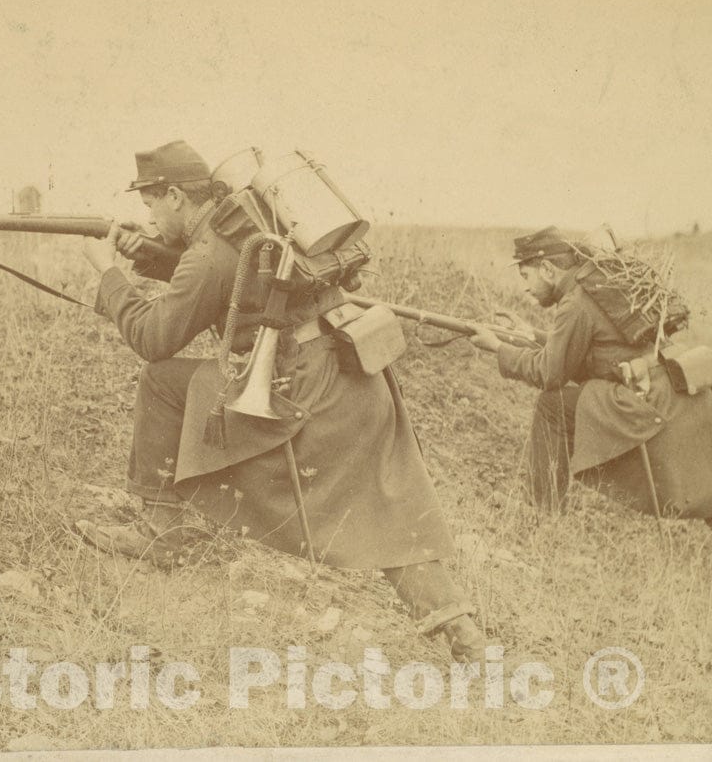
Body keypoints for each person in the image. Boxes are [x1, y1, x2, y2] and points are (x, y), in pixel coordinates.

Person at [74, 139, 487, 660]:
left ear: (176, 196)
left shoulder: (210, 253)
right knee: (387, 512)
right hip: (356, 377)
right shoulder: (254, 224)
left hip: (300, 395)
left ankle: (162, 531)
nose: (149, 216)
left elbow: (155, 339)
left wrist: (108, 272)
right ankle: (462, 630)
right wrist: (154, 260)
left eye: (151, 203)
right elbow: (235, 282)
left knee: (162, 379)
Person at [468, 227, 712, 602]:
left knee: (553, 406)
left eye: (526, 275)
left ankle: (541, 520)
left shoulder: (576, 302)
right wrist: (531, 335)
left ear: (547, 269)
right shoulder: (599, 285)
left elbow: (551, 374)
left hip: (652, 405)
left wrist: (497, 348)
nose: (525, 288)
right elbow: (592, 349)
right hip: (680, 393)